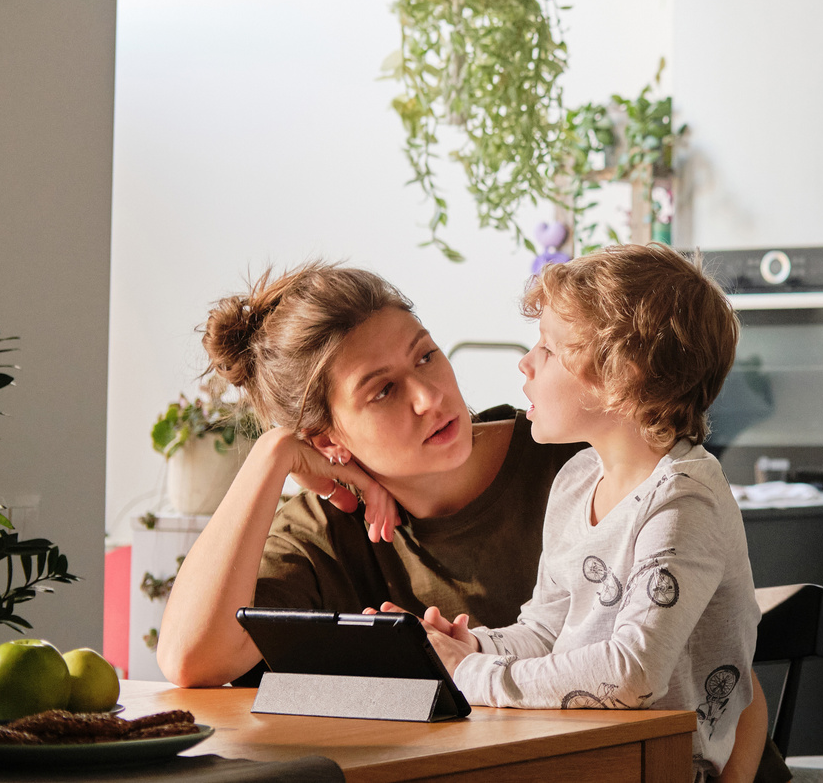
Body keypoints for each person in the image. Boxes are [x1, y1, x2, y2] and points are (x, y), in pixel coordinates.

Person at [156, 261, 778, 783]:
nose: (429, 396)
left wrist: (465, 669)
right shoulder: (326, 528)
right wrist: (271, 455)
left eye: (425, 356)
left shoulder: (583, 449)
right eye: (382, 391)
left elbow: (717, 674)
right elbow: (190, 661)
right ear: (328, 439)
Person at [416, 245, 756, 783]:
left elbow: (632, 674)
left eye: (548, 349)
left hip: (652, 765)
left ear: (622, 376)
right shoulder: (577, 478)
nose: (525, 363)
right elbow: (550, 629)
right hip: (575, 747)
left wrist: (474, 674)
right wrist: (473, 646)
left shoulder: (683, 500)